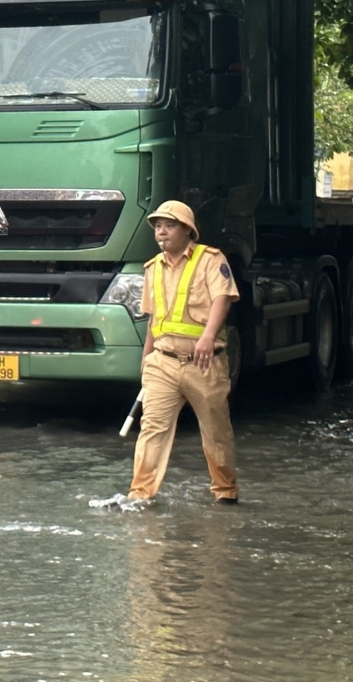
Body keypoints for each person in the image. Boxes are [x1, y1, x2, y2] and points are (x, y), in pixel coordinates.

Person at [127, 200, 241, 505]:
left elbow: (223, 299)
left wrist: (208, 337)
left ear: (187, 230)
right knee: (151, 430)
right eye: (158, 227)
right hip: (162, 363)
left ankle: (226, 492)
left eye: (169, 225)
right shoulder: (152, 268)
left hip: (204, 362)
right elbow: (154, 319)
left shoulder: (210, 260)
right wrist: (146, 358)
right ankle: (140, 495)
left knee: (216, 433)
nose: (161, 232)